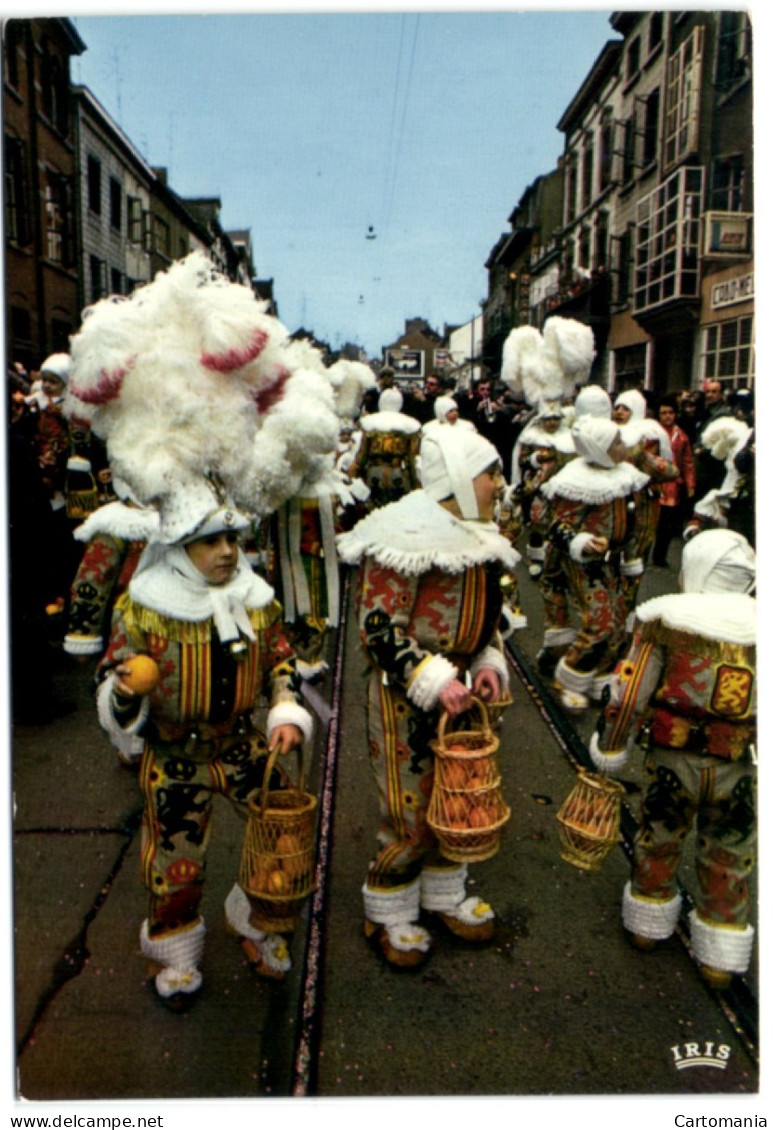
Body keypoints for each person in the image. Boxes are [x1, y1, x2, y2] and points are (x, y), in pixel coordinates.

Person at [98, 494, 314, 1005]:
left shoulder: (255, 598)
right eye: (209, 542)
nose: (227, 552)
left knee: (282, 831)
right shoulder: (145, 606)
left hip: (239, 743)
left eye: (232, 539)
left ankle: (258, 918)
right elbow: (113, 673)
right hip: (174, 754)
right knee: (176, 860)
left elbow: (281, 661)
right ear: (177, 548)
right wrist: (125, 694)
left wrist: (284, 709)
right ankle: (174, 950)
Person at [337, 426, 518, 968]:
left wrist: (486, 660)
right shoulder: (403, 535)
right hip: (406, 699)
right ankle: (389, 908)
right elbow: (377, 630)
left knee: (458, 798)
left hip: (463, 694)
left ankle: (442, 894)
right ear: (462, 477)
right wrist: (435, 680)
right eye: (491, 473)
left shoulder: (479, 532)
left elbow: (490, 619)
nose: (499, 485)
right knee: (410, 808)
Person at [589, 530, 756, 990]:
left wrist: (612, 745)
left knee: (659, 832)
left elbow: (631, 689)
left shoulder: (665, 621)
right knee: (731, 849)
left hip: (673, 758)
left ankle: (649, 916)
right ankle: (721, 948)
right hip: (740, 764)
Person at [540, 415, 650, 712]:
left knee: (617, 625)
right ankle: (570, 678)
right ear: (600, 449)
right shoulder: (575, 481)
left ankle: (601, 676)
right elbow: (557, 527)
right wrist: (583, 541)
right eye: (615, 442)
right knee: (600, 622)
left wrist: (629, 550)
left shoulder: (626, 473)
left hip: (614, 562)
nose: (622, 445)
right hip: (584, 564)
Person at [348, 386, 422, 510]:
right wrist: (416, 485)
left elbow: (361, 456)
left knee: (374, 510)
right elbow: (412, 459)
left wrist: (354, 475)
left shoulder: (369, 424)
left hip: (374, 474)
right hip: (399, 475)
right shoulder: (410, 426)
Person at [652, 396, 696, 567]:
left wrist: (690, 484)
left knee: (667, 524)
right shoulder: (652, 433)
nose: (667, 416)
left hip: (672, 487)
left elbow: (688, 462)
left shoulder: (681, 436)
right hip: (654, 484)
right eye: (663, 413)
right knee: (650, 522)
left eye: (671, 412)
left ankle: (660, 556)